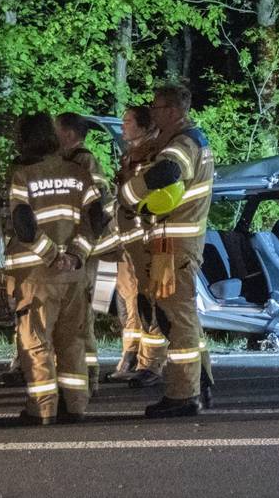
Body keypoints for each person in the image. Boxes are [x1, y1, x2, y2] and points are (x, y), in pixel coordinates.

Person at [120, 85, 215, 418]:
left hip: (174, 247)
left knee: (177, 319)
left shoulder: (184, 143)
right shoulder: (189, 140)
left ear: (173, 111)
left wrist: (131, 196)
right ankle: (199, 382)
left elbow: (168, 172)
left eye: (157, 108)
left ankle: (183, 394)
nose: (154, 114)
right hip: (172, 245)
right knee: (181, 317)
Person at [4, 112, 104, 424]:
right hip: (73, 275)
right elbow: (97, 218)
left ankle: (43, 408)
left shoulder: (22, 174)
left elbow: (23, 223)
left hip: (37, 275)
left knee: (36, 343)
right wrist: (74, 255)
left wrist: (50, 255)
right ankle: (75, 406)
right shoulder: (77, 172)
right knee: (72, 341)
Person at [54, 112, 114, 392]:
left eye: (57, 130)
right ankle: (86, 373)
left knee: (83, 314)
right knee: (81, 314)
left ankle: (89, 375)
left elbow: (96, 207)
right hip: (89, 251)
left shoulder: (82, 161)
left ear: (67, 134)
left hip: (94, 253)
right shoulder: (72, 161)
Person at [112, 105, 167, 385]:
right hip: (126, 242)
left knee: (149, 302)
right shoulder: (129, 156)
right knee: (129, 303)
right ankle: (131, 356)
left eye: (128, 121)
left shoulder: (153, 155)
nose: (123, 126)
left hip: (145, 240)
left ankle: (152, 364)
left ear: (144, 126)